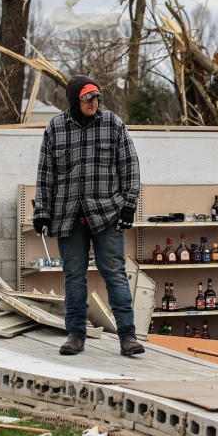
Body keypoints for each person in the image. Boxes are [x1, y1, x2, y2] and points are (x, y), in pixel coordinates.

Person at [32, 75, 145, 357]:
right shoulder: (55, 129)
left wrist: (129, 206)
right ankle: (75, 335)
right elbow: (45, 175)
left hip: (107, 213)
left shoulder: (113, 124)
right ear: (74, 101)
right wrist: (42, 213)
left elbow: (130, 167)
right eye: (87, 99)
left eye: (97, 97)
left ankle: (127, 336)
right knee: (73, 276)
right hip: (67, 215)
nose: (94, 102)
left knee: (115, 274)